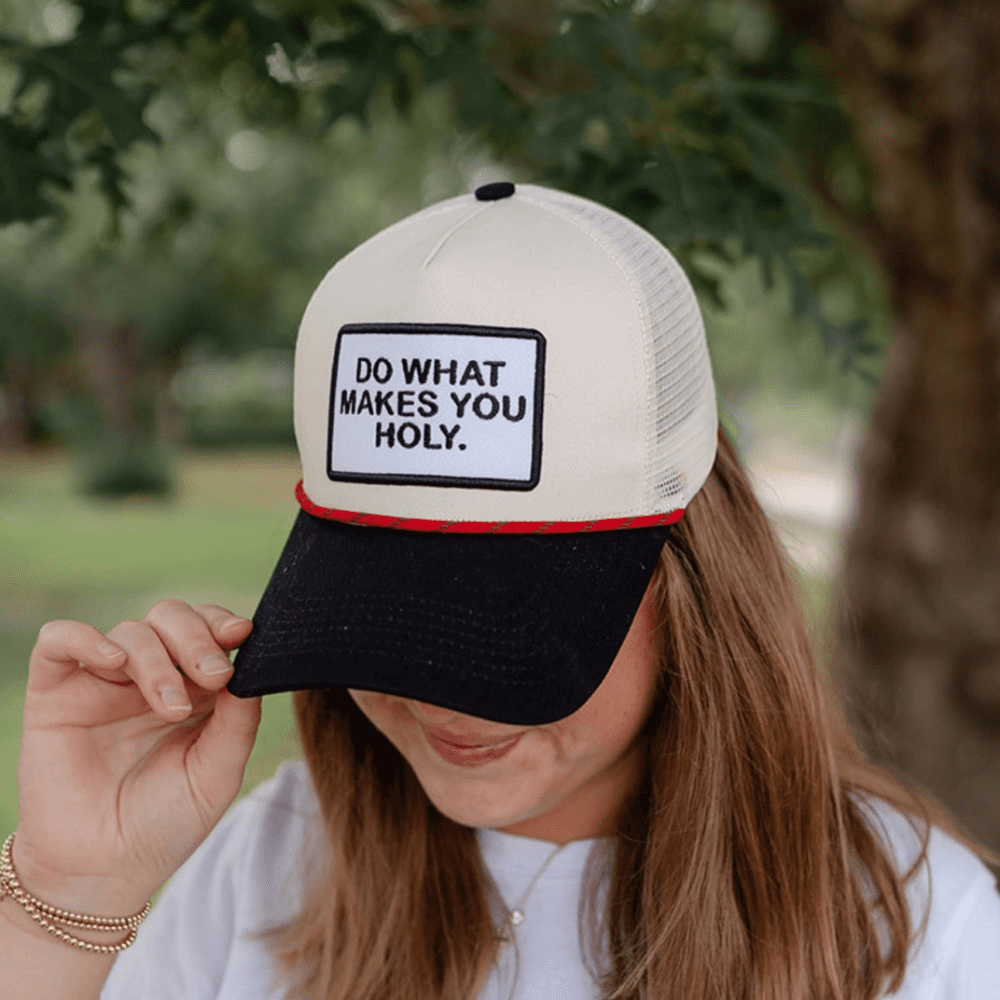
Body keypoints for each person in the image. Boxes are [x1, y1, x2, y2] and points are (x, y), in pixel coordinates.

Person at [2, 182, 999, 1000]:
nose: (437, 694)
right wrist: (69, 889)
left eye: (505, 618)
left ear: (691, 579)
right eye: (389, 616)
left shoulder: (915, 928)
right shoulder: (274, 857)